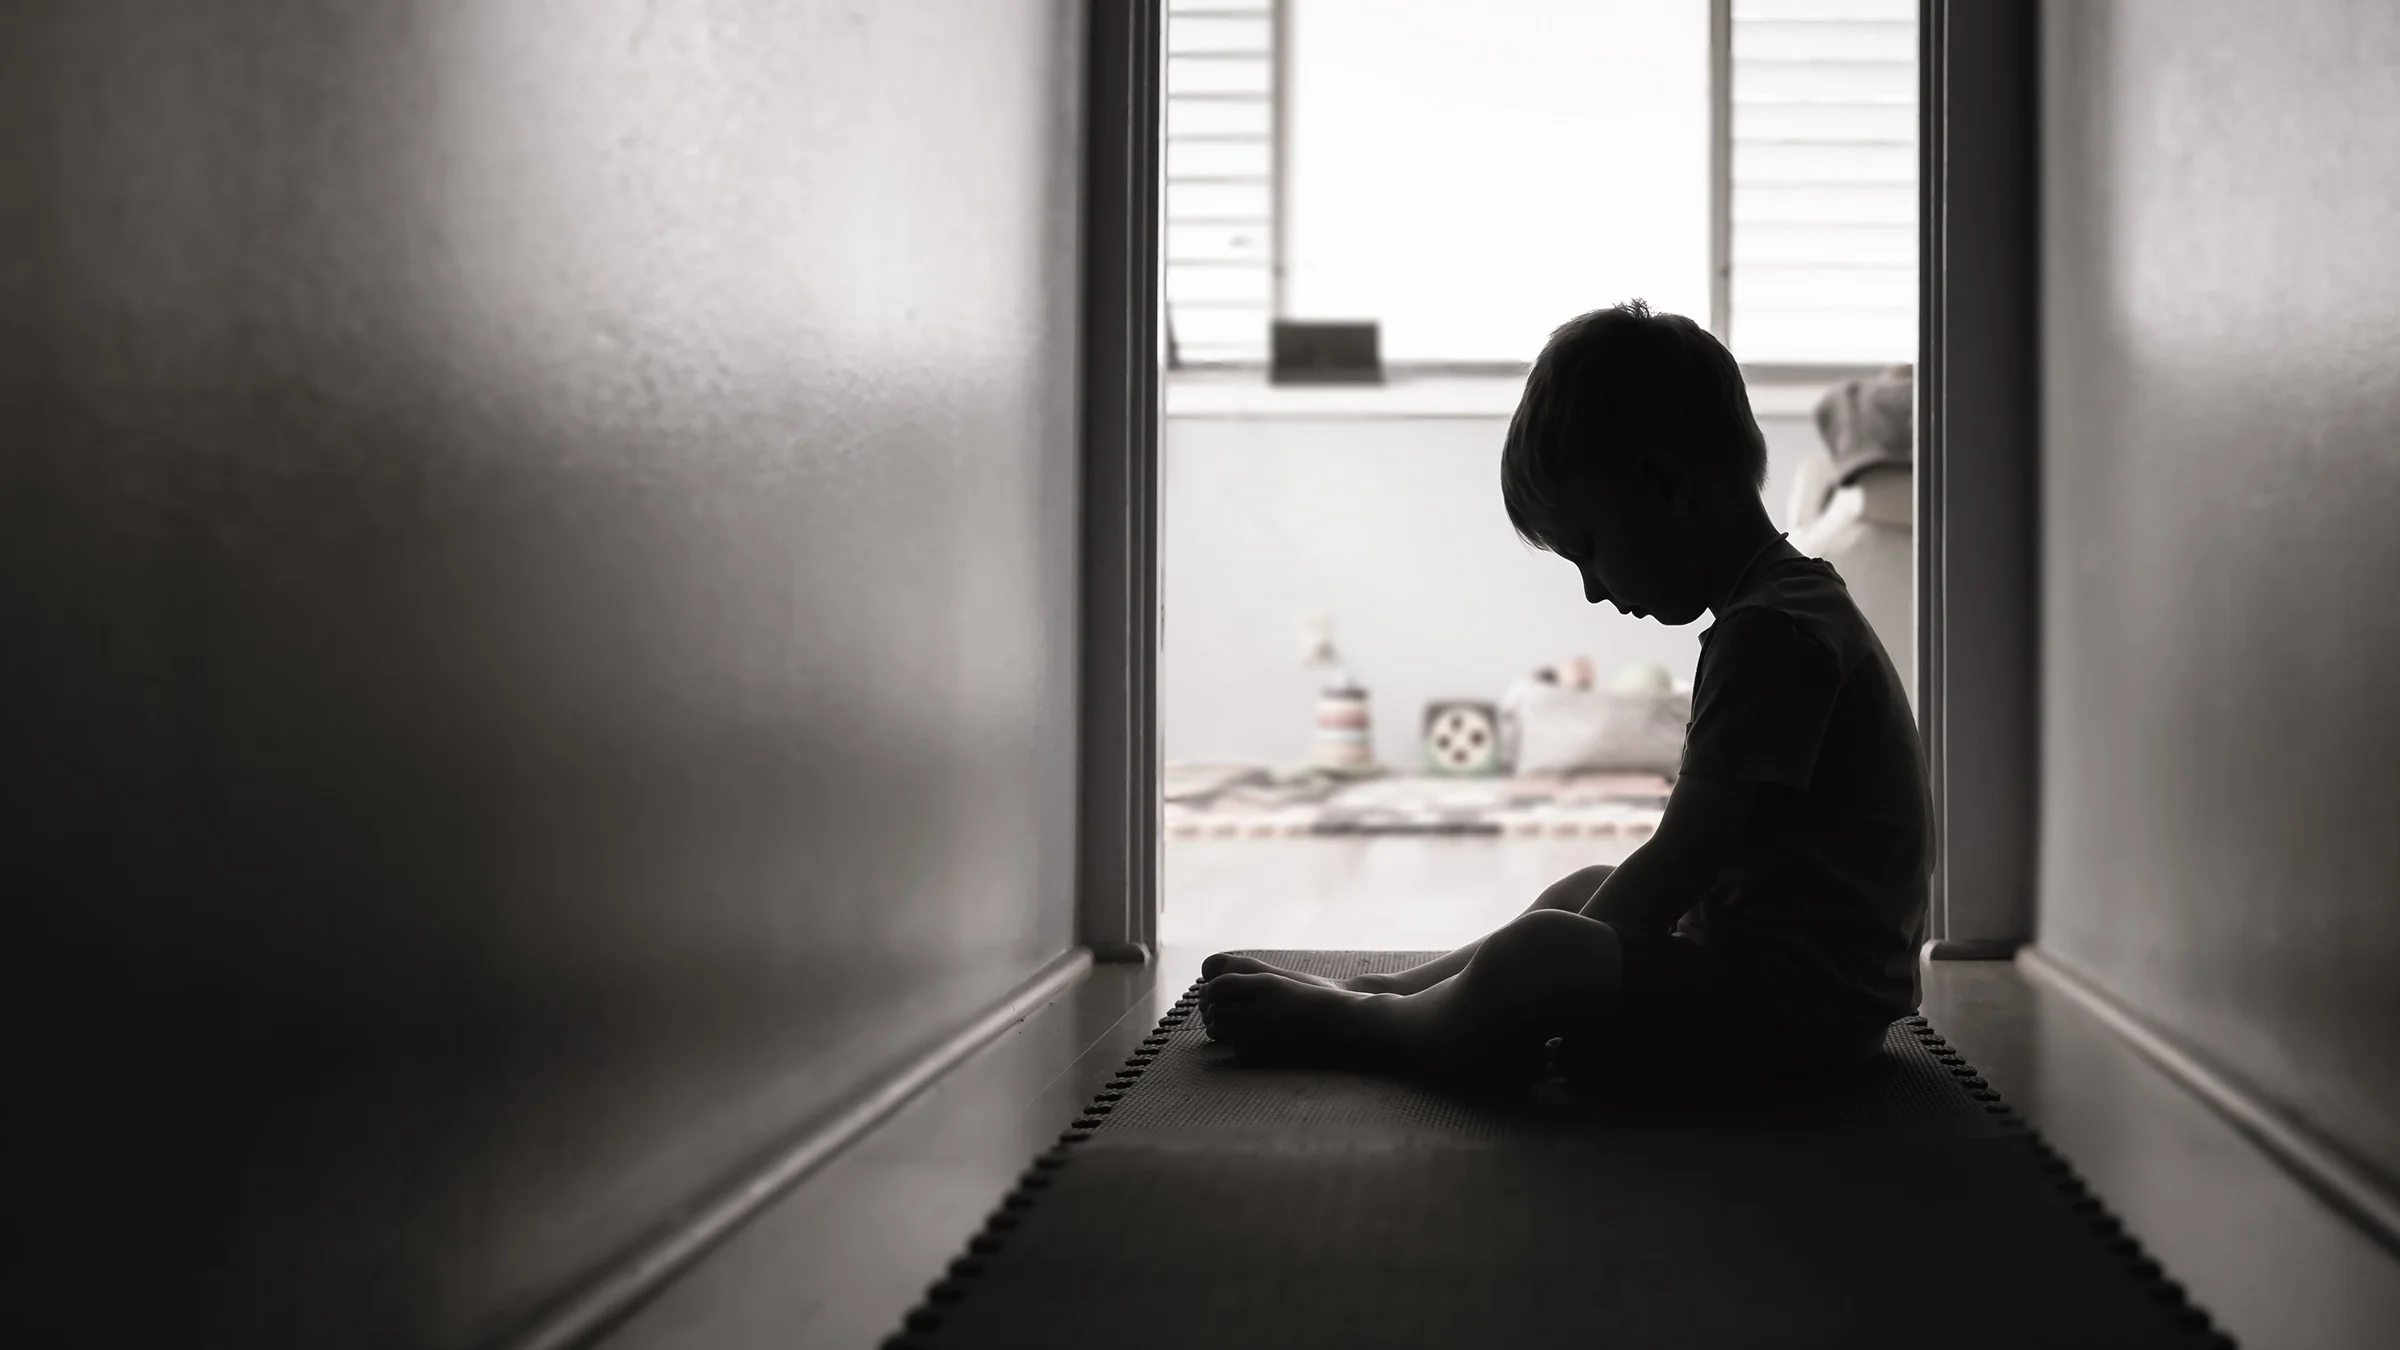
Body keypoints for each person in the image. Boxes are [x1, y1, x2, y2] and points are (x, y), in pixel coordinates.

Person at [1199, 301, 1933, 1083]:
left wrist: (1562, 977)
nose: (1591, 590)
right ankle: (1383, 992)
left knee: (1547, 949)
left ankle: (1375, 1025)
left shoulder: (1773, 635)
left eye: (1588, 549)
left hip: (1798, 1015)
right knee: (1581, 893)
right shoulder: (1786, 608)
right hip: (1789, 982)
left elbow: (1683, 861)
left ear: (1665, 486)